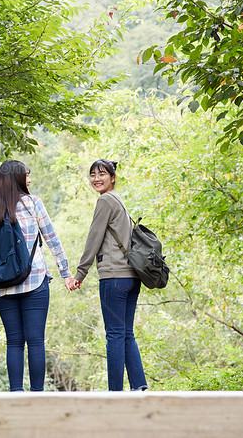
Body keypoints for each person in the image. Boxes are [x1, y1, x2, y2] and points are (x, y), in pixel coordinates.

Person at [0, 159, 77, 392]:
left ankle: (15, 395)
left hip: (1, 285)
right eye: (27, 175)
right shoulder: (32, 204)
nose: (29, 180)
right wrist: (66, 273)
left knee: (14, 342)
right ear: (18, 179)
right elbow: (52, 239)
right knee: (36, 341)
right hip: (34, 280)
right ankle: (37, 396)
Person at [72, 159, 148, 391]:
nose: (96, 178)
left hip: (114, 276)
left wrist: (80, 272)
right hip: (132, 277)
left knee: (114, 335)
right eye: (93, 174)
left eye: (102, 174)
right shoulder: (119, 201)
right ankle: (139, 386)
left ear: (113, 177)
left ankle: (115, 392)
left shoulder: (105, 200)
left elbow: (94, 237)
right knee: (126, 334)